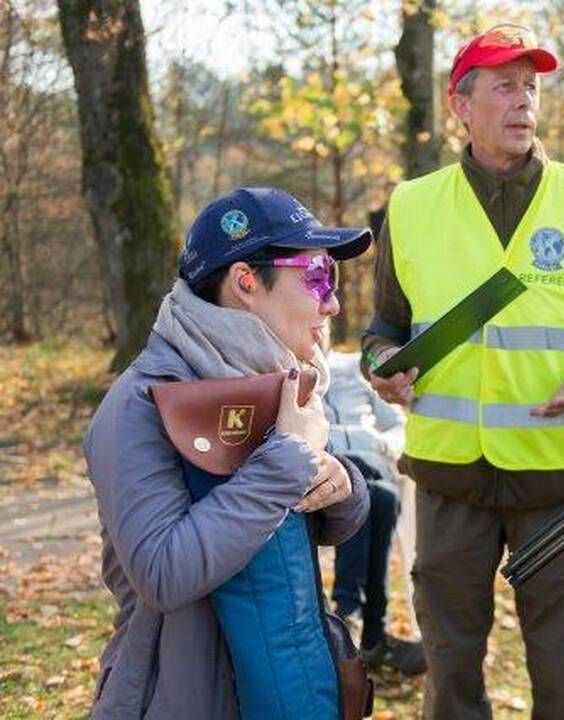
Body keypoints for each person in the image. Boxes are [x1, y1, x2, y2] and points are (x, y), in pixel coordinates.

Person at [362, 24, 564, 720]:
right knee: (451, 668)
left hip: (558, 478)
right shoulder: (411, 205)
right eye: (504, 88)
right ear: (461, 106)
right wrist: (380, 366)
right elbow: (384, 331)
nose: (523, 102)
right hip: (446, 477)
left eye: (530, 88)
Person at [83, 187, 373, 718]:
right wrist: (287, 457)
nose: (332, 301)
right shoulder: (139, 403)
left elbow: (332, 522)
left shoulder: (273, 377)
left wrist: (341, 482)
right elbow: (163, 572)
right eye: (316, 275)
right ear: (245, 283)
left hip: (289, 687)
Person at [323, 345, 426, 675]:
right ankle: (358, 620)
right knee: (365, 496)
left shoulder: (357, 371)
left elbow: (398, 427)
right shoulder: (292, 372)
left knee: (382, 497)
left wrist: (378, 443)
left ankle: (361, 628)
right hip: (331, 472)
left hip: (375, 466)